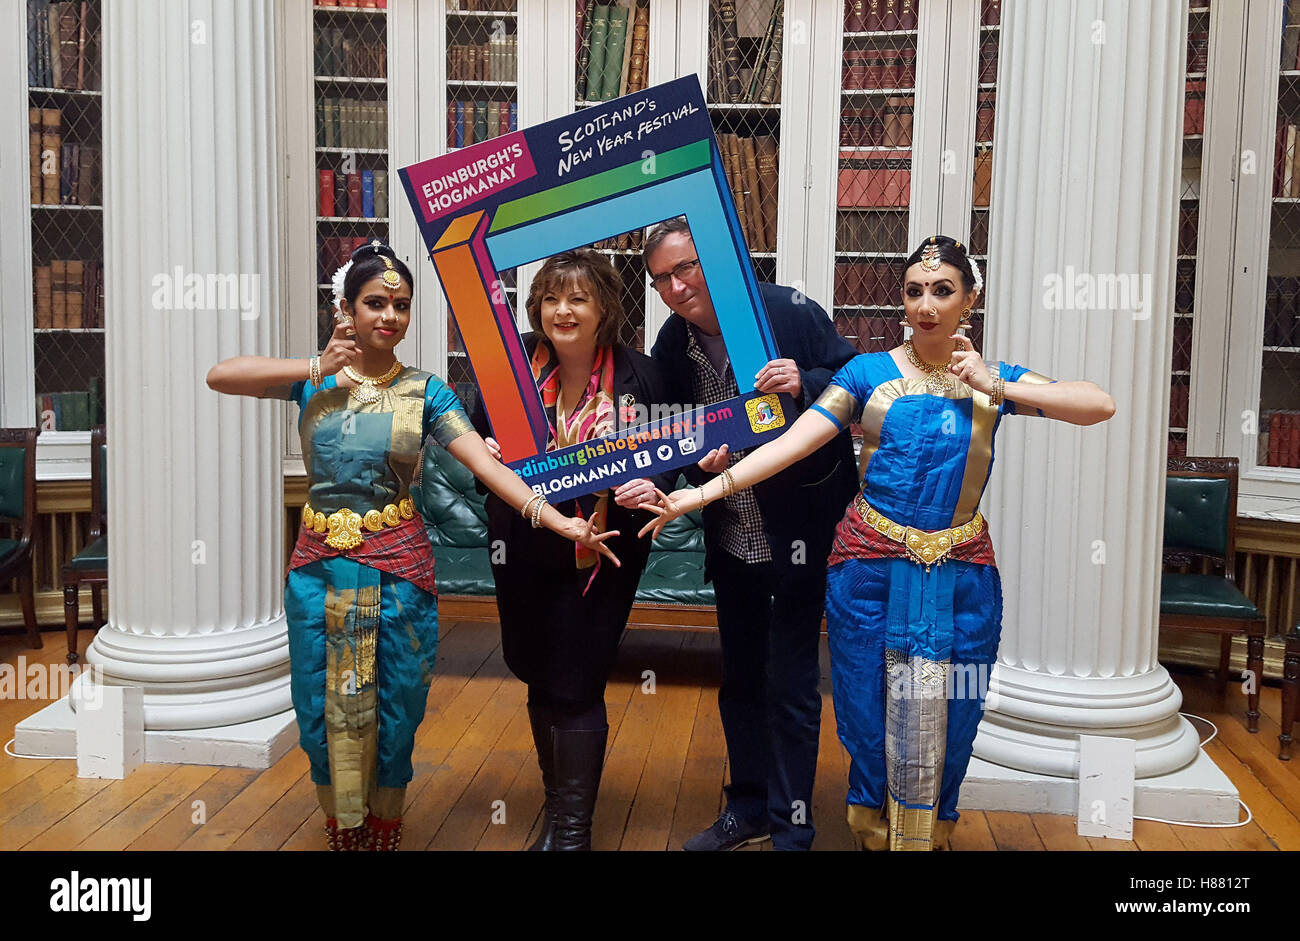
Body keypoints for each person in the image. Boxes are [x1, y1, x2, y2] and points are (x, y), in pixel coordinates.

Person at [640, 235, 1117, 851]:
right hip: (867, 565)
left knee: (952, 708)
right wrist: (698, 495)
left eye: (943, 290)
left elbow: (1097, 404)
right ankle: (864, 828)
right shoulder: (868, 374)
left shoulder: (991, 381)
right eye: (915, 291)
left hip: (961, 570)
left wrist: (998, 382)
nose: (927, 305)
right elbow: (793, 443)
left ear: (969, 299)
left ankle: (923, 830)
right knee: (865, 711)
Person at [205, 241, 619, 851]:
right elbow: (221, 376)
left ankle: (385, 822)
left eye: (401, 305)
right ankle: (342, 819)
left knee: (396, 704)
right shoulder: (311, 385)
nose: (390, 317)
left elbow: (486, 462)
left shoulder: (427, 392)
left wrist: (556, 521)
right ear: (345, 309)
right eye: (375, 303)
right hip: (319, 569)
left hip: (399, 567)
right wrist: (315, 366)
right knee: (323, 706)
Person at [645, 217, 858, 851]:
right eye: (662, 279)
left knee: (791, 684)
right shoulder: (670, 343)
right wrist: (696, 464)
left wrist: (807, 383)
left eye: (687, 267)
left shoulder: (788, 312)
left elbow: (859, 386)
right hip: (733, 537)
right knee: (740, 680)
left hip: (802, 530)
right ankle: (749, 808)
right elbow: (674, 433)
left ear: (717, 258)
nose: (678, 287)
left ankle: (794, 826)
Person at [471, 248, 668, 851]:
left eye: (578, 298)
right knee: (537, 670)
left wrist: (655, 483)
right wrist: (487, 450)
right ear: (535, 308)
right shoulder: (507, 375)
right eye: (551, 298)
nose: (563, 310)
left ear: (604, 307)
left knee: (578, 680)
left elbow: (673, 458)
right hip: (523, 545)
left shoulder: (643, 376)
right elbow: (478, 455)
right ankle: (558, 813)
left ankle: (574, 834)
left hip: (602, 551)